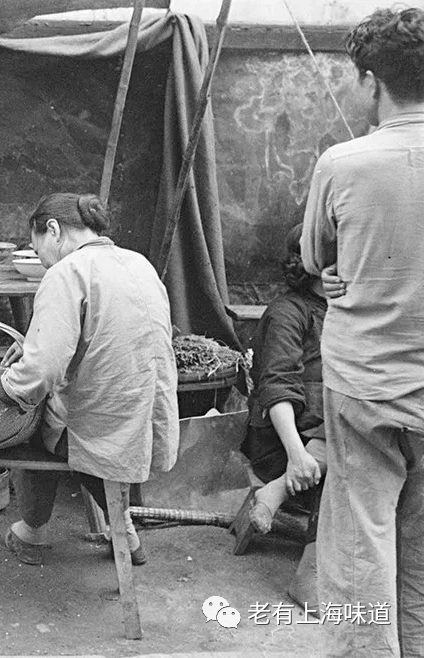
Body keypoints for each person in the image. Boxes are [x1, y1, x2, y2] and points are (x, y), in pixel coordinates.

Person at [300, 8, 424, 656]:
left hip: (366, 385)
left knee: (360, 547)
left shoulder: (343, 164)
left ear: (371, 80)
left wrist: (345, 274)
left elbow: (311, 259)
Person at [0, 193, 179, 566]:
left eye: (38, 248)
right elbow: (107, 339)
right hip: (145, 422)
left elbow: (41, 373)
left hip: (100, 430)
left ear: (52, 230)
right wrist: (33, 344)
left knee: (26, 420)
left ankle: (32, 531)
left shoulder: (67, 273)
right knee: (68, 409)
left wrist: (0, 390)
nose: (41, 259)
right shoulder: (139, 264)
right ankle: (123, 529)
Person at [240, 223, 327, 532]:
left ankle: (277, 490)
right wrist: (297, 455)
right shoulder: (287, 312)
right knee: (348, 409)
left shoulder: (346, 310)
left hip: (325, 435)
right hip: (281, 444)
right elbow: (278, 386)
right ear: (318, 261)